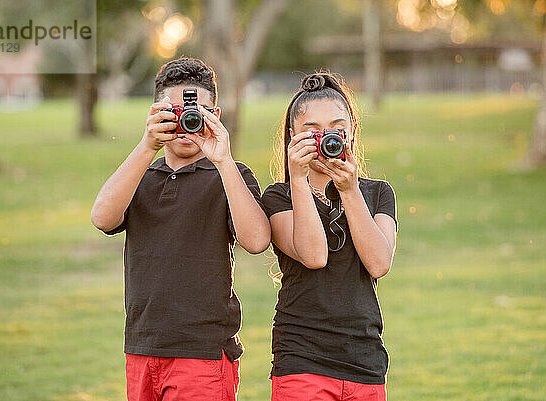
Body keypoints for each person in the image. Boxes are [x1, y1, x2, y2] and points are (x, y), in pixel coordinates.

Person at [90, 58, 271, 401]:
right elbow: (102, 218)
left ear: (215, 115)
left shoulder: (231, 175)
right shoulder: (140, 175)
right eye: (176, 112)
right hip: (143, 346)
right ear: (156, 112)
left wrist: (222, 159)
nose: (188, 122)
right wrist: (147, 146)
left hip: (203, 351)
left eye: (199, 112)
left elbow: (257, 241)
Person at [261, 72, 398, 401]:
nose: (326, 139)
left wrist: (350, 190)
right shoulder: (279, 197)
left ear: (351, 131)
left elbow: (379, 263)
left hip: (365, 360)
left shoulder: (378, 193)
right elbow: (314, 255)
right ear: (293, 138)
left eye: (336, 128)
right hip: (302, 359)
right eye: (313, 132)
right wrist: (297, 178)